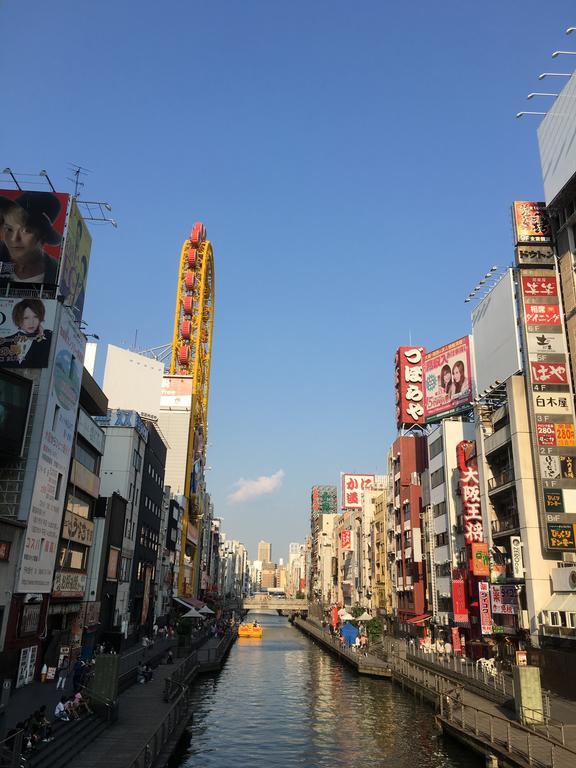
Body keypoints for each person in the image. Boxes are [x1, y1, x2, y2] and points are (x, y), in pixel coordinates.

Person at [0, 191, 62, 283]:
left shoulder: (57, 275)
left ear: (42, 236)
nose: (14, 238)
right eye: (9, 229)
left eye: (26, 231)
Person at [0, 298, 52, 367]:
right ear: (18, 318)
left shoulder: (49, 337)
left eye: (35, 317)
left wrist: (42, 336)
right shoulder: (4, 342)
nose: (31, 322)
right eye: (26, 318)